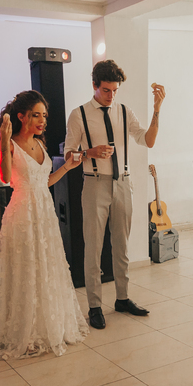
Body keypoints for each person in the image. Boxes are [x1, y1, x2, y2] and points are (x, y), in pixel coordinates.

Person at [0, 91, 86, 358]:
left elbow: (45, 181)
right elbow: (6, 177)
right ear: (21, 116)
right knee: (26, 269)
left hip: (44, 213)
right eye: (36, 115)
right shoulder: (11, 145)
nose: (42, 121)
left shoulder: (40, 144)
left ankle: (47, 324)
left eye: (44, 116)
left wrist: (68, 167)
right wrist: (5, 142)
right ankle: (24, 331)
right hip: (23, 215)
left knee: (47, 266)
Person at [64, 60, 163, 330]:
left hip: (123, 183)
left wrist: (157, 110)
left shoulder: (124, 111)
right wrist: (90, 153)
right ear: (95, 86)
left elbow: (148, 140)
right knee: (94, 247)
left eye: (115, 90)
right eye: (106, 90)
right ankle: (94, 305)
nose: (111, 95)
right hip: (94, 183)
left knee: (122, 246)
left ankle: (123, 298)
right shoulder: (79, 114)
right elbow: (68, 155)